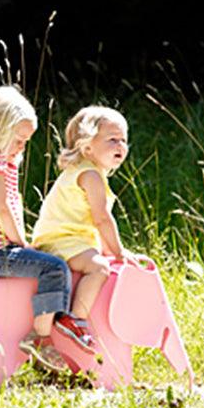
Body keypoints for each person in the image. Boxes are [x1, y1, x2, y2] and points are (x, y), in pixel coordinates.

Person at [0, 85, 93, 371]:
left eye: (25, 141)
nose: (22, 148)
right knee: (54, 268)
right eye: (18, 140)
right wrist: (21, 244)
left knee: (46, 263)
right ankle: (41, 338)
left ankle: (43, 340)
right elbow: (2, 209)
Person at [31, 104, 138, 332]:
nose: (120, 146)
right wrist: (118, 252)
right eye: (112, 140)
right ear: (87, 148)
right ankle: (75, 320)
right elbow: (101, 219)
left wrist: (107, 249)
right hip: (63, 240)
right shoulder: (90, 176)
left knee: (100, 259)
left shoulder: (83, 171)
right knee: (99, 268)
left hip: (64, 238)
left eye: (123, 140)